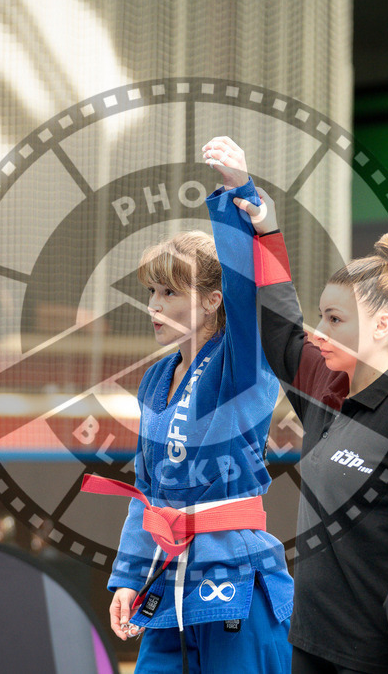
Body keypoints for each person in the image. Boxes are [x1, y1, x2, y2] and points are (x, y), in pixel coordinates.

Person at [207, 135, 388, 674]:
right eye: (322, 315)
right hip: (310, 638)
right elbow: (280, 324)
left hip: (381, 648)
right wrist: (262, 223)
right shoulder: (325, 384)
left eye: (335, 320)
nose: (319, 331)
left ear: (381, 327)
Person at [80, 138, 293, 673]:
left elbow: (249, 292)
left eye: (170, 293)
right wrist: (128, 578)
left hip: (234, 575)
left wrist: (237, 195)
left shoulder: (243, 366)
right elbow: (147, 490)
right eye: (152, 293)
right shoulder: (156, 379)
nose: (154, 306)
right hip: (166, 575)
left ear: (213, 301)